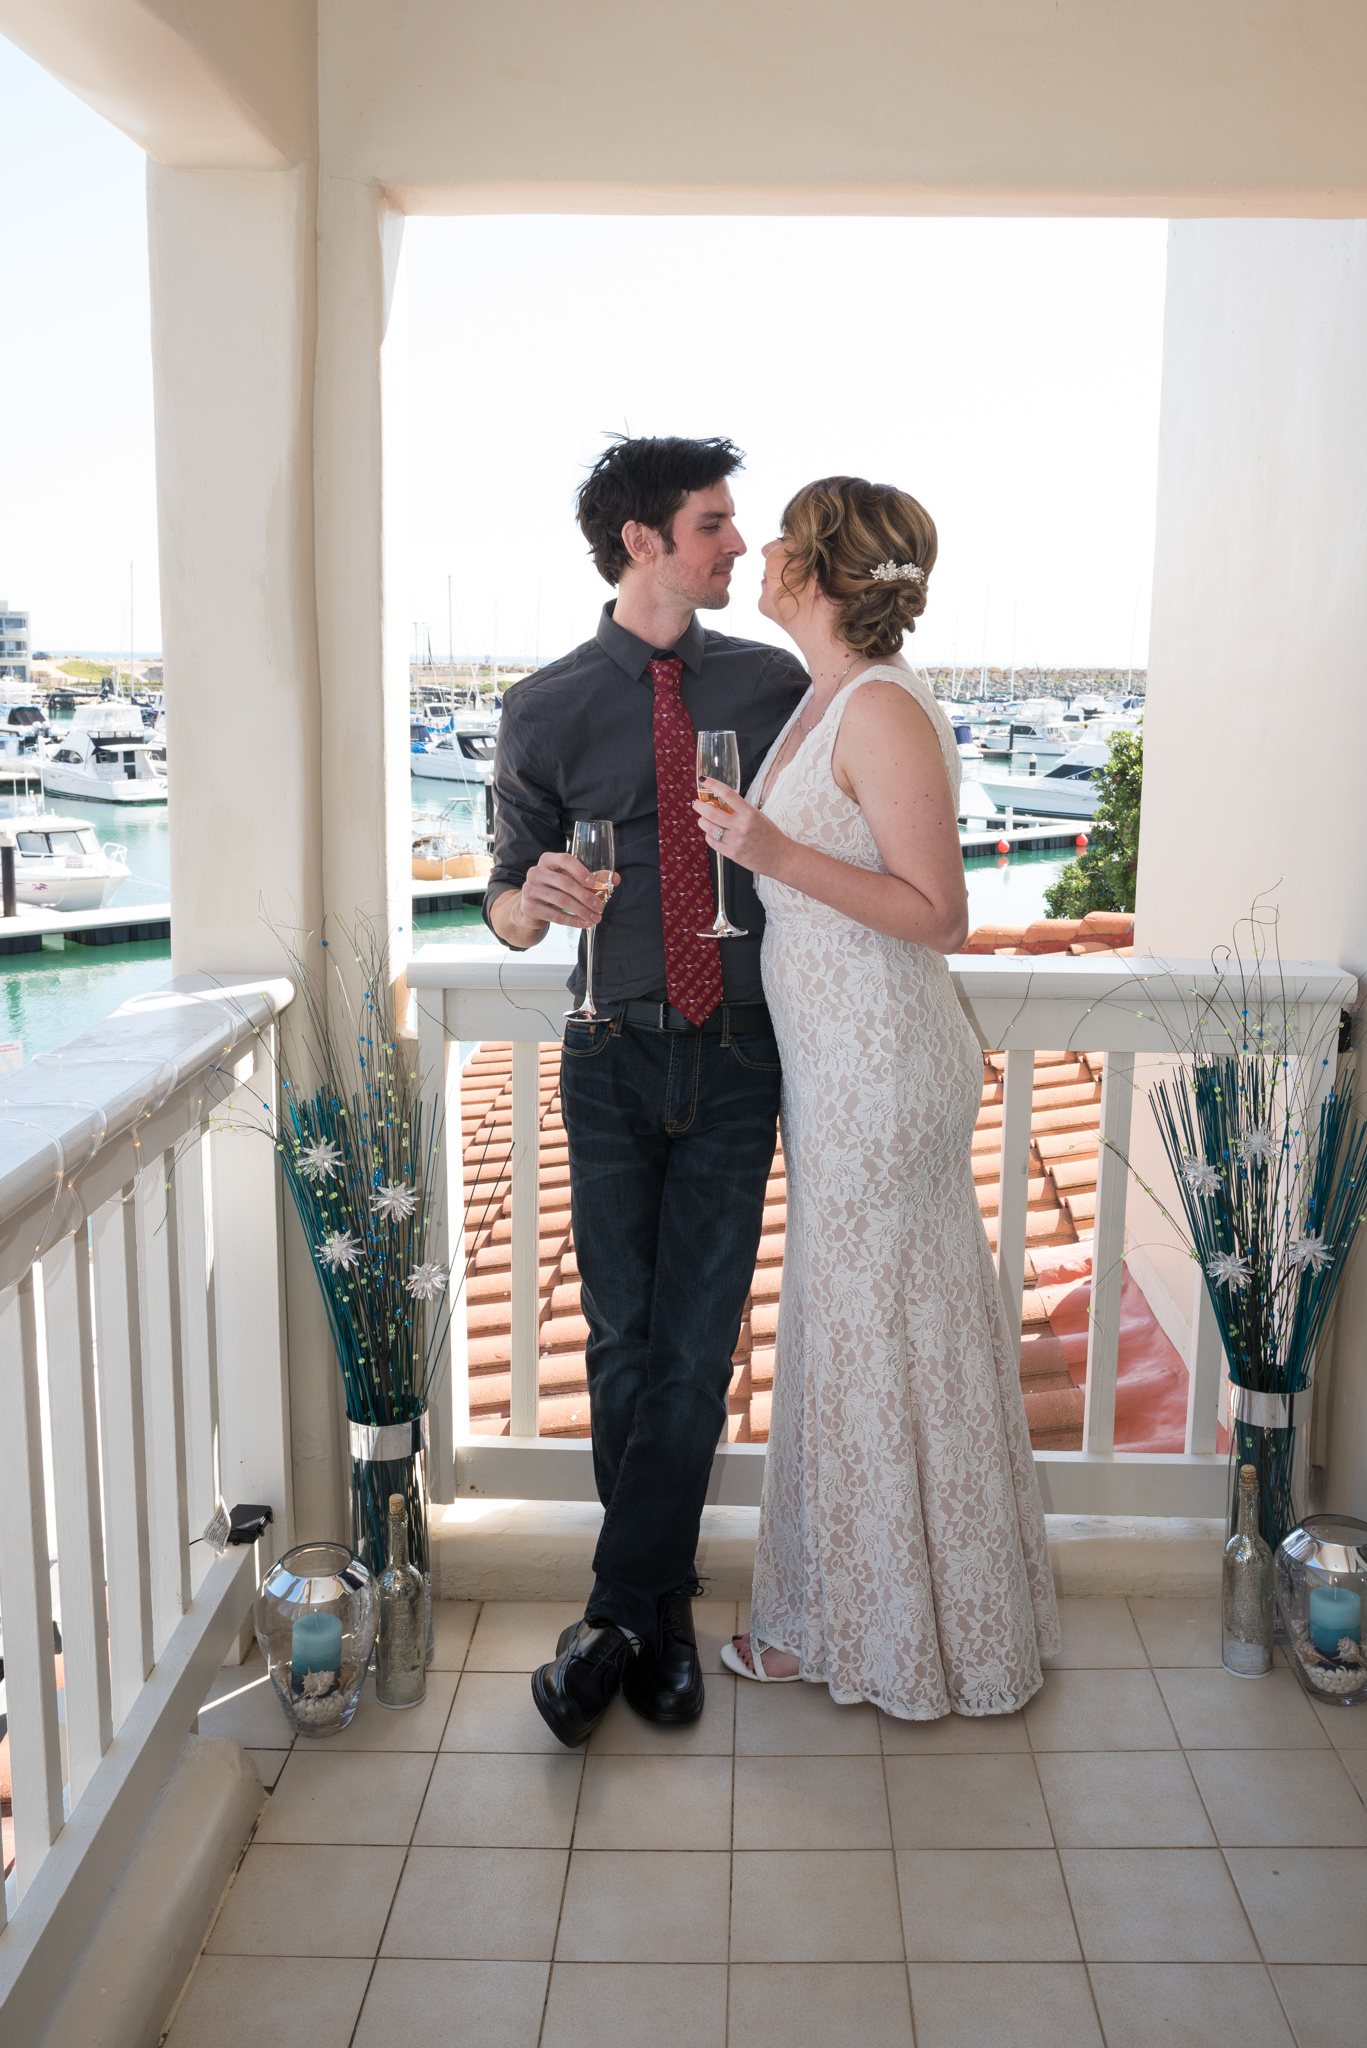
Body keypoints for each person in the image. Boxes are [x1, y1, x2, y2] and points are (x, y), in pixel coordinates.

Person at [694, 476, 1060, 1718]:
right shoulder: (826, 695)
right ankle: (888, 1617)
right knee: (864, 1330)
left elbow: (937, 913)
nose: (764, 544)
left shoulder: (882, 707)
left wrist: (771, 855)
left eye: (785, 529)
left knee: (868, 1332)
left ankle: (874, 1633)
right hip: (835, 1062)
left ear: (821, 564)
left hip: (881, 1065)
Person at [484, 435, 807, 1745]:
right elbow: (502, 898)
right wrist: (526, 904)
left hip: (736, 1050)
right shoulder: (546, 705)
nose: (738, 545)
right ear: (641, 541)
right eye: (715, 525)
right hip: (607, 1050)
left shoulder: (774, 685)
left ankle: (614, 1617)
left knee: (692, 1339)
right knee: (622, 1341)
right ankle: (655, 1612)